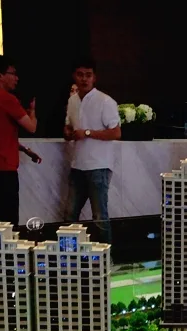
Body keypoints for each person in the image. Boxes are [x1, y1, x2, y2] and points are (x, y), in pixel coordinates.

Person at [0, 55, 41, 225]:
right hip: (3, 168)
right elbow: (32, 127)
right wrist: (32, 112)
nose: (16, 78)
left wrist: (25, 150)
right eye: (12, 73)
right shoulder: (6, 98)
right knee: (9, 222)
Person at [64, 57, 120, 243]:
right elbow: (68, 126)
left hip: (99, 166)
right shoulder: (72, 101)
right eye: (80, 75)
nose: (84, 79)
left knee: (100, 217)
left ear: (94, 77)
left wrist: (87, 132)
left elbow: (116, 132)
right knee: (70, 215)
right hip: (77, 165)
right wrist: (68, 132)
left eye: (88, 75)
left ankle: (107, 256)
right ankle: (69, 255)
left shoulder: (105, 101)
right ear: (74, 76)